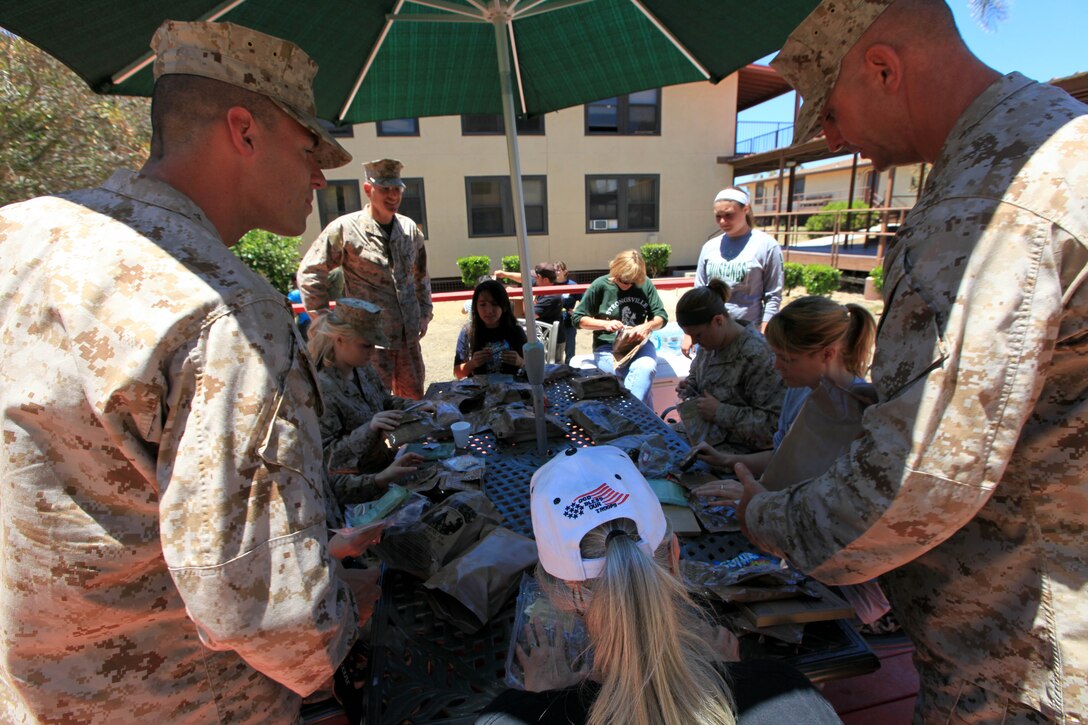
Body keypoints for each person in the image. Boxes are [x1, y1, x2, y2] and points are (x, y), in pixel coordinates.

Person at [735, 0, 1088, 721]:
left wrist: (765, 517)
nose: (831, 137)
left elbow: (925, 473)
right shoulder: (1016, 148)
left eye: (829, 112)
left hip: (1024, 658)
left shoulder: (997, 196)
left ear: (884, 67)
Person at [0, 20, 359, 724]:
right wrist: (353, 608)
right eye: (307, 145)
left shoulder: (22, 231)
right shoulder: (224, 310)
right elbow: (269, 614)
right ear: (243, 130)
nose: (320, 174)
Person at [477, 446, 842, 725]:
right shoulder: (787, 697)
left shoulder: (514, 718)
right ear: (676, 554)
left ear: (563, 592)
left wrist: (543, 701)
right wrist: (732, 676)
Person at [691, 295, 875, 476]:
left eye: (787, 359)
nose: (777, 366)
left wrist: (764, 495)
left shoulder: (859, 411)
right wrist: (725, 460)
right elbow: (780, 456)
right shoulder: (797, 389)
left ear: (827, 355)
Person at [297, 158, 432, 399]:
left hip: (407, 340)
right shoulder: (347, 229)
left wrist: (424, 313)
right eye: (385, 189)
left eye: (397, 189)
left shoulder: (409, 229)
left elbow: (420, 276)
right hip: (367, 342)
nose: (392, 196)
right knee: (371, 404)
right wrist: (323, 319)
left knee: (413, 404)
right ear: (368, 189)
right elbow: (311, 270)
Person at [306, 298, 426, 508]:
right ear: (339, 340)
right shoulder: (321, 390)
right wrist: (370, 428)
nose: (372, 352)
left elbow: (384, 400)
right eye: (366, 345)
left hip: (385, 468)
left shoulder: (362, 368)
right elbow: (328, 461)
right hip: (357, 494)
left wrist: (414, 406)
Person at [673, 280, 785, 455]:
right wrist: (690, 386)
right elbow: (700, 377)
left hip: (736, 456)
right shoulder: (710, 344)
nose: (694, 342)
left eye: (698, 335)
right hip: (701, 439)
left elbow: (773, 428)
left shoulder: (758, 356)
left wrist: (720, 412)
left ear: (718, 321)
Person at [683, 187, 783, 356]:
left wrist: (764, 335)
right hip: (711, 334)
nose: (722, 221)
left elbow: (773, 296)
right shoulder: (710, 247)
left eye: (729, 215)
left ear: (746, 209)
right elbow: (699, 293)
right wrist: (690, 333)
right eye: (718, 216)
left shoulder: (766, 246)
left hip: (748, 334)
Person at [571, 249, 667, 408]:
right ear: (615, 272)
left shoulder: (645, 284)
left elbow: (661, 317)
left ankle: (628, 416)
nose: (627, 285)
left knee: (646, 368)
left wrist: (646, 326)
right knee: (625, 377)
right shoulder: (600, 285)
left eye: (632, 282)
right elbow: (577, 319)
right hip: (607, 347)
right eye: (623, 281)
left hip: (638, 344)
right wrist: (605, 324)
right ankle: (642, 417)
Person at [455, 279, 528, 378]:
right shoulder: (468, 331)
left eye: (494, 304)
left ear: (505, 306)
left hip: (511, 391)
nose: (489, 311)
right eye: (482, 304)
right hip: (479, 391)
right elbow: (458, 373)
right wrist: (472, 363)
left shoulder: (515, 331)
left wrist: (520, 362)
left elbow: (534, 368)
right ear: (475, 307)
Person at [555, 261, 582, 364]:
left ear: (565, 272)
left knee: (570, 352)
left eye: (558, 270)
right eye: (554, 270)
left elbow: (583, 300)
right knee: (554, 353)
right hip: (554, 323)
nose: (556, 272)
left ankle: (570, 371)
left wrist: (576, 312)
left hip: (568, 324)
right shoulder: (550, 284)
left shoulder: (572, 285)